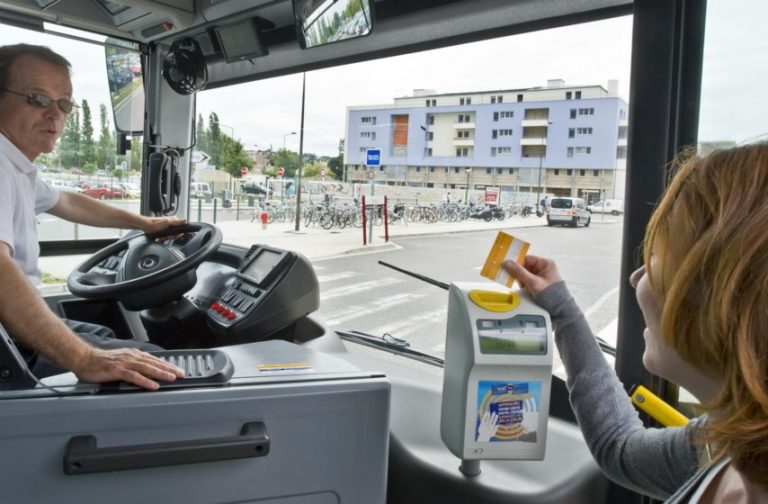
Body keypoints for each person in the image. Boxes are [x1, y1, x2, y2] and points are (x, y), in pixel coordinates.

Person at [503, 144, 768, 502]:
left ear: (726, 293)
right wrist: (560, 307)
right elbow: (619, 445)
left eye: (660, 255)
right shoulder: (724, 441)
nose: (636, 277)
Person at [0, 44, 185, 390]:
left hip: (13, 336)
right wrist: (85, 359)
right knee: (164, 369)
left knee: (105, 335)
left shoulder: (16, 166)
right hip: (11, 350)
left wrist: (144, 224)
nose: (54, 114)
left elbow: (67, 202)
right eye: (37, 99)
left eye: (64, 104)